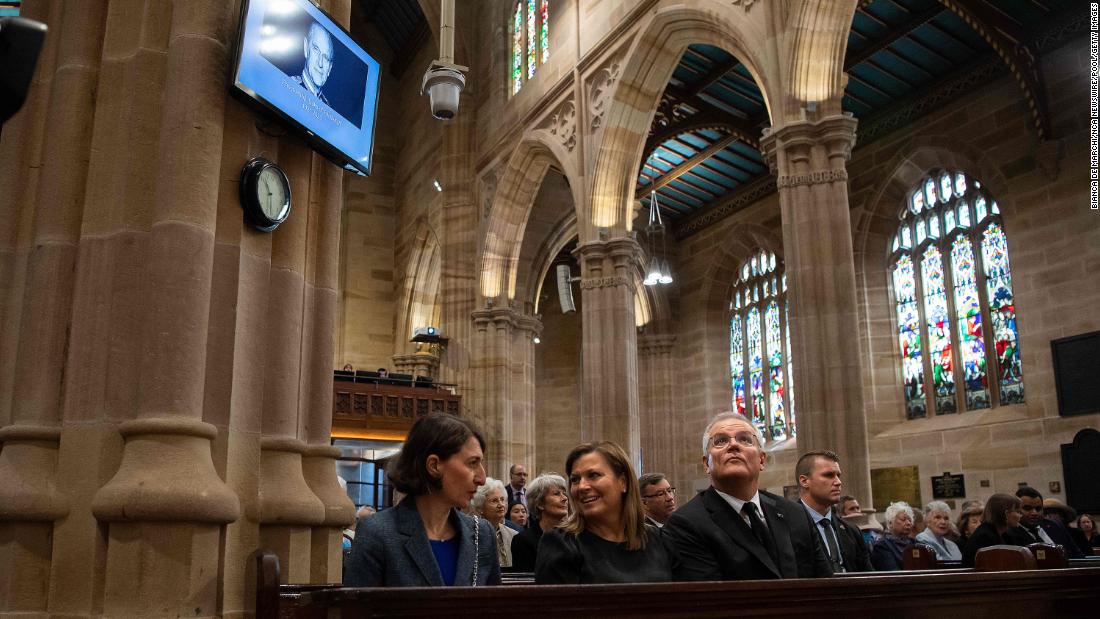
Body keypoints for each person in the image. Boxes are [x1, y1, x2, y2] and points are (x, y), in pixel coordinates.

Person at [664, 412, 832, 580]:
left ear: (761, 460)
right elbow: (710, 600)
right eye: (721, 441)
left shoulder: (795, 514)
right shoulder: (686, 524)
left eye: (744, 439)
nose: (733, 445)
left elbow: (824, 584)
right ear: (706, 463)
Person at [345, 414, 501, 586]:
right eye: (472, 463)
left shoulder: (482, 534)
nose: (482, 478)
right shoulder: (377, 533)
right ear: (434, 465)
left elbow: (494, 608)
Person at [535, 442, 678, 584]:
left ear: (623, 482)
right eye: (575, 480)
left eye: (593, 475)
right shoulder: (562, 544)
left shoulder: (659, 540)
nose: (582, 486)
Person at [796, 451, 873, 572]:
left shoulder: (851, 531)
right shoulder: (786, 527)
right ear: (805, 481)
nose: (838, 482)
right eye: (829, 475)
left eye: (838, 475)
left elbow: (869, 577)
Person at [510, 472, 569, 572]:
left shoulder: (575, 536)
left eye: (564, 493)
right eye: (557, 494)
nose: (564, 498)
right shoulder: (523, 541)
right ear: (540, 504)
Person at [1009, 487, 1084, 558]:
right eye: (1027, 508)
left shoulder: (1053, 526)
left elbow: (1077, 555)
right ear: (1017, 510)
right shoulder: (1010, 533)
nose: (1034, 513)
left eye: (1038, 509)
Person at [962, 493, 1022, 567]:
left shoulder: (1005, 535)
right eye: (1018, 512)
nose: (1020, 516)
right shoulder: (984, 537)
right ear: (1006, 514)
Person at [471, 478, 516, 569]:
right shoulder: (471, 534)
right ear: (480, 508)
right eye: (494, 501)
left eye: (502, 499)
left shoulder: (513, 534)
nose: (501, 505)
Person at [293, 23, 333, 105]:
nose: (320, 63)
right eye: (316, 49)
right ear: (306, 48)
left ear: (329, 68)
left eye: (326, 58)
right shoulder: (290, 85)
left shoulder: (328, 107)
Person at [870, 501, 914, 571]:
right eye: (903, 519)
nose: (908, 523)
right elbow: (893, 574)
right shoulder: (882, 546)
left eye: (910, 520)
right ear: (890, 523)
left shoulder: (915, 543)